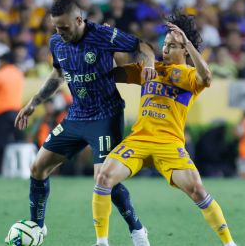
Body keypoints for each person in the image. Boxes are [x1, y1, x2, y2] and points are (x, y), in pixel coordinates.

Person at [13, 0, 157, 246]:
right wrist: (33, 103)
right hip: (76, 116)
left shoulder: (102, 35)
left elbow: (141, 45)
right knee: (37, 168)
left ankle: (137, 230)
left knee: (104, 180)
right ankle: (37, 227)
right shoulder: (56, 42)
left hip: (106, 116)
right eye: (56, 27)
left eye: (64, 27)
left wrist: (151, 64)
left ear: (79, 20)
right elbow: (59, 75)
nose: (60, 33)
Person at [92, 14, 237, 246]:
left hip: (169, 145)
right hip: (139, 140)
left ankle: (229, 243)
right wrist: (109, 42)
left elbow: (207, 77)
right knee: (103, 177)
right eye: (165, 44)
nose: (166, 49)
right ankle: (101, 242)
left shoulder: (189, 75)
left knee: (197, 190)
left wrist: (187, 41)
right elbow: (115, 73)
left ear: (186, 50)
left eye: (172, 45)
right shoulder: (150, 68)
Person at [0, 52, 24, 174]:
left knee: (1, 142)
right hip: (16, 112)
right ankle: (21, 168)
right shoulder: (19, 73)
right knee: (19, 141)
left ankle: (1, 170)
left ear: (5, 61)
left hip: (1, 111)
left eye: (0, 60)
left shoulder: (0, 74)